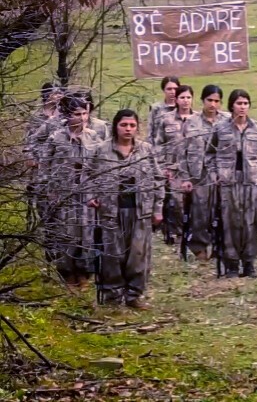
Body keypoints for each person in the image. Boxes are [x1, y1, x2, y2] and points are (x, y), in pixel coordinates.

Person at [86, 110, 165, 309]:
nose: (128, 129)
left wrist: (158, 208)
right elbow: (87, 176)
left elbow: (158, 179)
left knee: (138, 255)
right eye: (124, 125)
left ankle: (133, 295)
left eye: (132, 125)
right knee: (112, 255)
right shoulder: (101, 150)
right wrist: (91, 196)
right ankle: (112, 296)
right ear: (115, 126)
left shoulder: (146, 150)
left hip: (139, 212)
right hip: (111, 212)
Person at [42, 94, 100, 288]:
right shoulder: (56, 138)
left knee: (86, 233)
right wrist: (49, 191)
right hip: (63, 194)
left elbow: (100, 165)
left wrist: (99, 192)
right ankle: (67, 274)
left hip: (87, 194)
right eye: (77, 114)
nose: (82, 118)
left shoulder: (93, 137)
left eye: (85, 113)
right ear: (68, 115)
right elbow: (45, 166)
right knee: (65, 232)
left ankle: (83, 273)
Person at [207, 89, 257, 278]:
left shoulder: (256, 128)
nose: (242, 107)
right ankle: (231, 263)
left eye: (245, 103)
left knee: (251, 222)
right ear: (232, 105)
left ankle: (249, 262)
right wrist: (215, 174)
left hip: (250, 181)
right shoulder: (220, 128)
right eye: (239, 103)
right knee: (230, 221)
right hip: (228, 182)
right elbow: (210, 154)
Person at [181, 85, 229, 261]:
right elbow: (182, 152)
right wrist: (185, 177)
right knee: (200, 211)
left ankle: (220, 246)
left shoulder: (227, 121)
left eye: (217, 101)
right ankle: (199, 246)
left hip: (222, 173)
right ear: (203, 100)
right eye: (209, 100)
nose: (213, 104)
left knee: (222, 210)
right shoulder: (191, 122)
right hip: (199, 174)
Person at [155, 85, 197, 246]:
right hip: (173, 168)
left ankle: (193, 233)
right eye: (182, 97)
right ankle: (177, 233)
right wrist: (162, 167)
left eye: (188, 97)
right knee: (176, 203)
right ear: (177, 100)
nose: (185, 101)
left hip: (194, 169)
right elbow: (159, 145)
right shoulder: (166, 119)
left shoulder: (198, 119)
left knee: (196, 203)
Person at [148, 76, 180, 145]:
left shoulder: (182, 107)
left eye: (175, 89)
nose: (173, 92)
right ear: (163, 90)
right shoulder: (156, 108)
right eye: (169, 89)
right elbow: (150, 132)